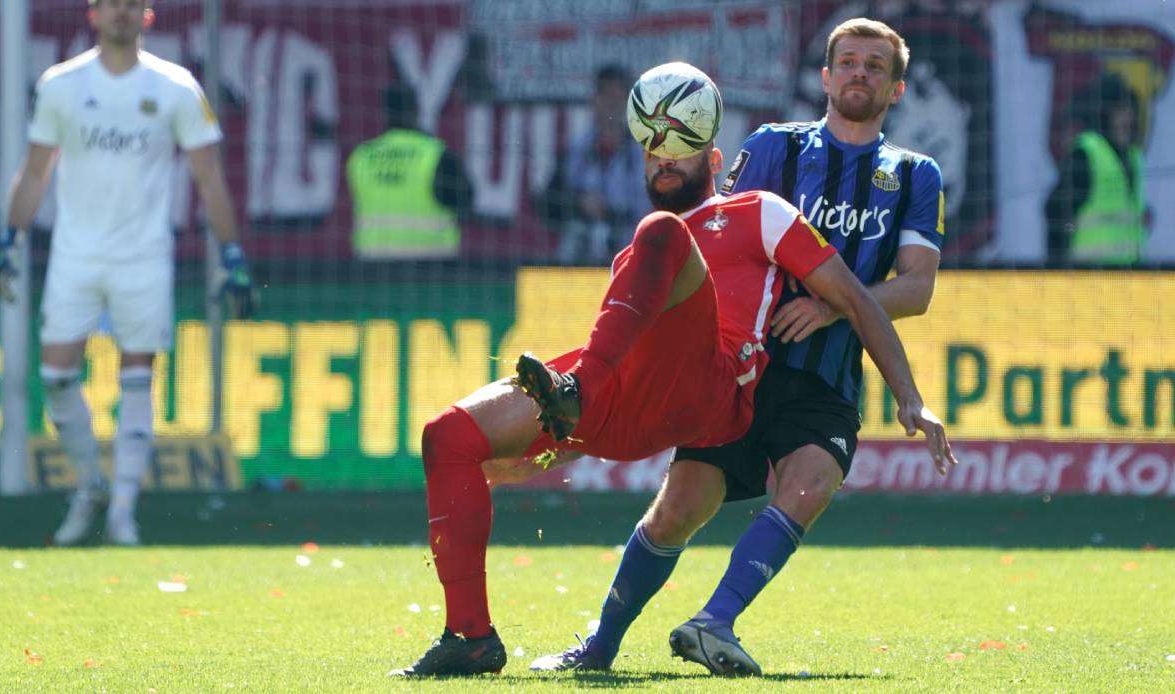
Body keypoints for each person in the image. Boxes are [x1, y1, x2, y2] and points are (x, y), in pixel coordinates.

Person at [392, 61, 954, 677]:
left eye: (683, 150)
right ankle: (469, 636)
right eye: (654, 151)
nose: (666, 160)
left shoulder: (755, 213)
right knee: (447, 438)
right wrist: (545, 453)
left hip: (714, 387)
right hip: (629, 399)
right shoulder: (633, 257)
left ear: (714, 162)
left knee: (660, 234)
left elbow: (856, 299)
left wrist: (909, 396)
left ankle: (576, 393)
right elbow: (628, 369)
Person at [0, 0, 253, 546]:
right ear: (93, 14)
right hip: (76, 255)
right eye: (111, 4)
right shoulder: (62, 84)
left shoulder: (176, 87)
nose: (121, 14)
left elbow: (209, 178)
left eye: (132, 5)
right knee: (57, 375)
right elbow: (36, 170)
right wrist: (11, 237)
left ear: (148, 16)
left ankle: (123, 512)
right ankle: (90, 485)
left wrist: (231, 253)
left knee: (138, 375)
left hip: (143, 256)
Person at [346, 82, 473, 259]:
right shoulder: (436, 154)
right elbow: (466, 201)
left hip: (374, 264)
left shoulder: (361, 156)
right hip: (431, 264)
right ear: (415, 110)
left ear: (385, 113)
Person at [553, 64, 652, 265]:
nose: (611, 104)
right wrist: (580, 201)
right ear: (595, 99)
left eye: (617, 97)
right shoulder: (576, 148)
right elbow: (553, 198)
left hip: (627, 246)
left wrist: (607, 210)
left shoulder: (641, 153)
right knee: (572, 238)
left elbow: (646, 208)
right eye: (606, 95)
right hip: (583, 245)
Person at [1046, 75, 1146, 265]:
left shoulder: (1134, 158)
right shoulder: (1087, 153)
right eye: (1119, 111)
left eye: (1130, 110)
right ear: (1104, 113)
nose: (1128, 119)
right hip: (1089, 276)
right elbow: (1056, 211)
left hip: (1129, 275)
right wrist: (1061, 257)